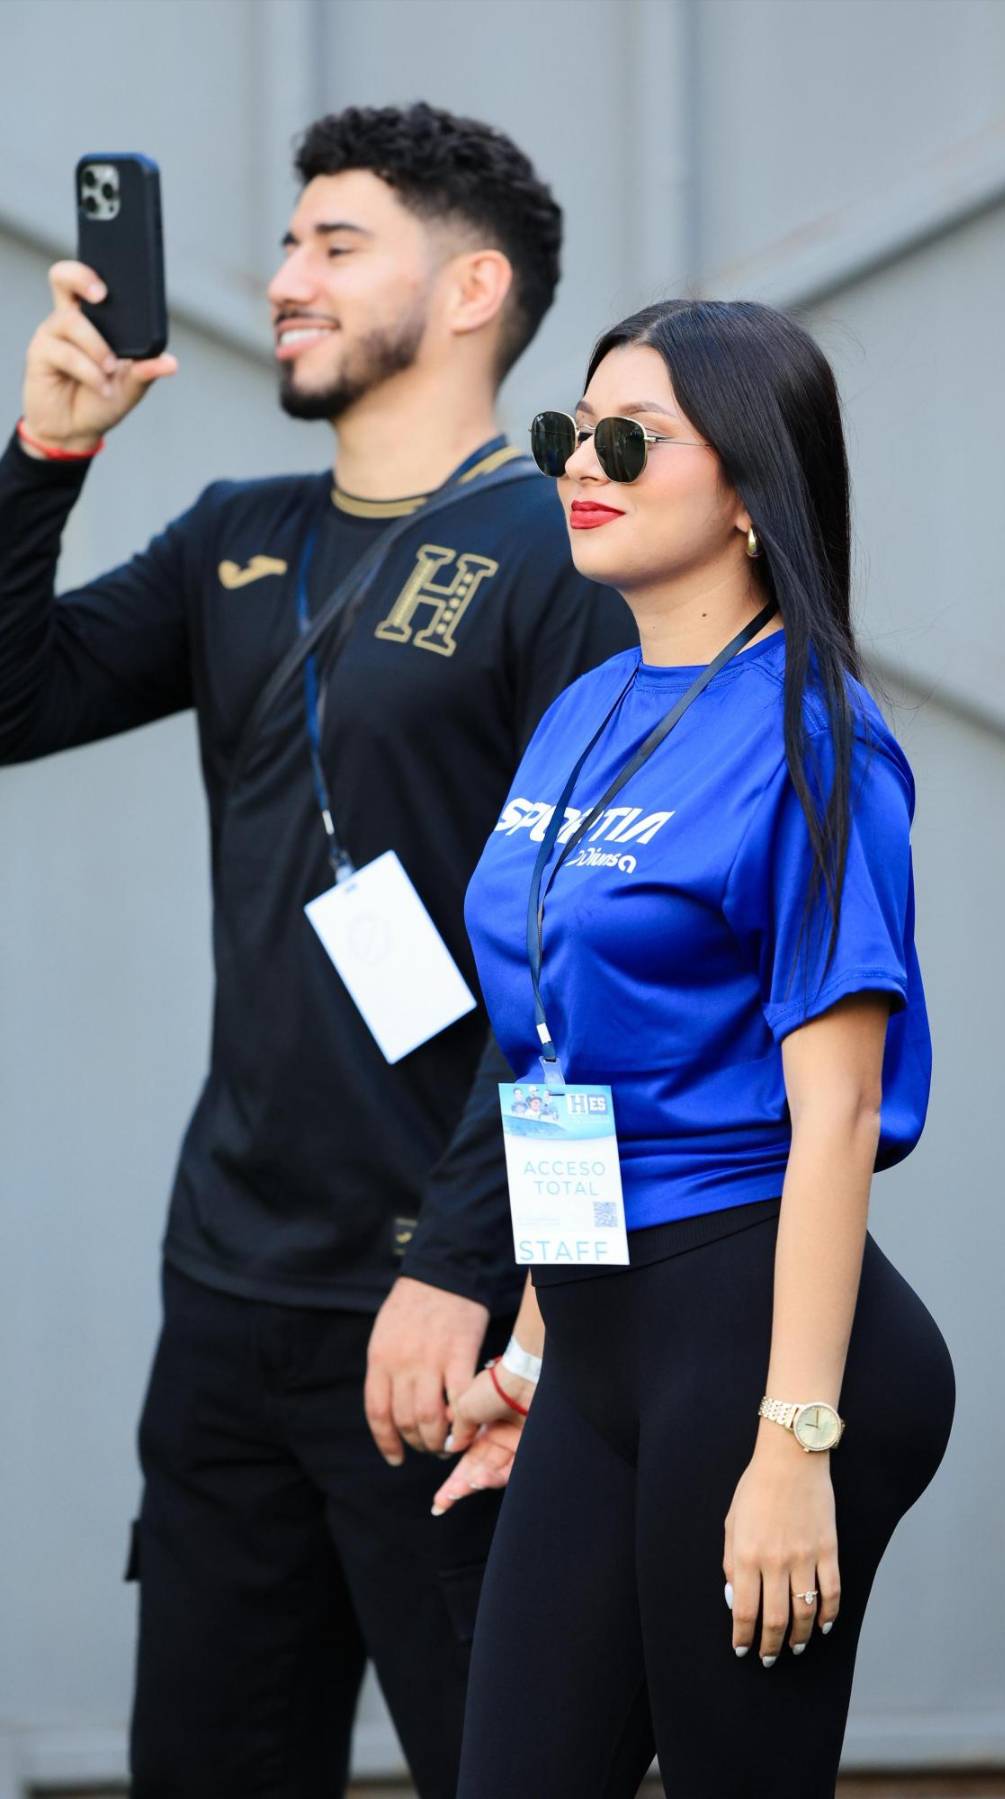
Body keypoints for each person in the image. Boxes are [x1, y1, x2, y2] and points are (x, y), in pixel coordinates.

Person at [0, 103, 632, 1799]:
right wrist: (44, 458)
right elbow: (13, 696)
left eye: (336, 245)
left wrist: (481, 1277)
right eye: (288, 244)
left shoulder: (560, 562)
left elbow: (591, 971)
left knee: (510, 1766)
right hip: (225, 1296)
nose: (284, 279)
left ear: (476, 285)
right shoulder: (231, 532)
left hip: (445, 1300)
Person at [433, 299, 957, 1797]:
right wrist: (533, 1345)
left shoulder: (817, 740)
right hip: (600, 1338)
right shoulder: (589, 708)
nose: (579, 466)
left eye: (630, 438)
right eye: (566, 436)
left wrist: (797, 1440)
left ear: (749, 484)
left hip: (757, 1331)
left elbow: (839, 1110)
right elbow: (563, 1060)